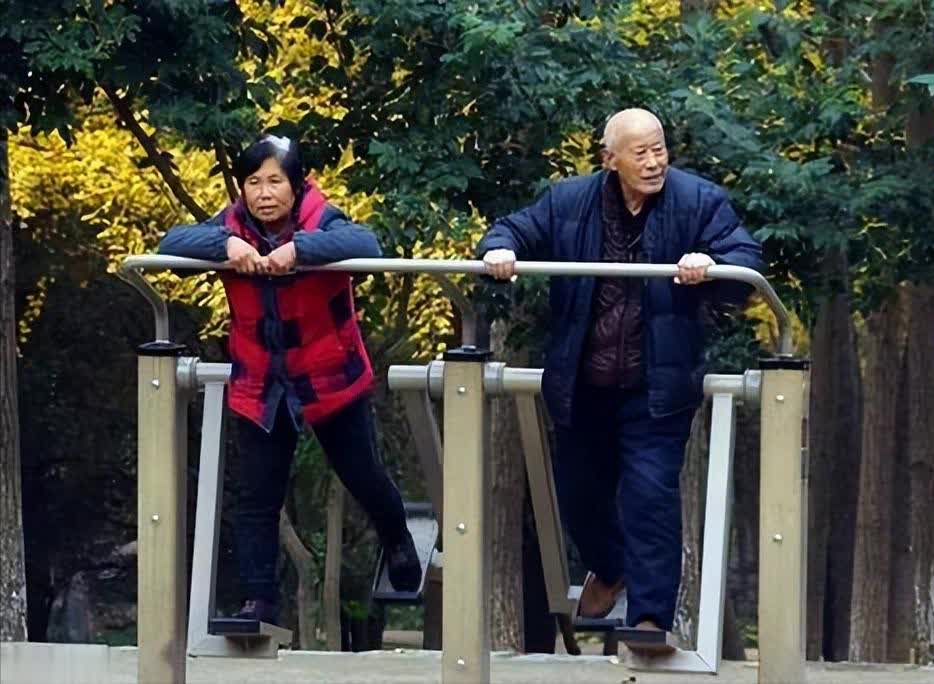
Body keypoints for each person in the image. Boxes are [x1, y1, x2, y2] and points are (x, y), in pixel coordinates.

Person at [477, 109, 762, 650]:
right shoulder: (569, 201)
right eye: (641, 153)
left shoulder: (699, 200)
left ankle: (650, 619)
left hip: (656, 385)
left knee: (649, 495)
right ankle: (609, 568)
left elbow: (744, 258)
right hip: (582, 384)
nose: (654, 162)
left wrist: (709, 264)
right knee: (578, 495)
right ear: (610, 159)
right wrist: (500, 250)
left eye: (660, 149)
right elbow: (512, 228)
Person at [158, 134, 421, 625]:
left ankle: (397, 538)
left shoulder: (322, 218)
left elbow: (366, 244)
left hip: (330, 376)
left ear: (297, 186)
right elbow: (171, 244)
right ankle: (258, 601)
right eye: (253, 182)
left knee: (363, 476)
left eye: (275, 181)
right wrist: (226, 245)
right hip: (261, 381)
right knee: (256, 496)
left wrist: (299, 250)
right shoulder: (232, 225)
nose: (264, 193)